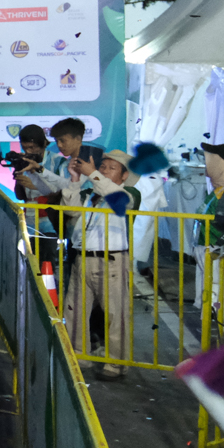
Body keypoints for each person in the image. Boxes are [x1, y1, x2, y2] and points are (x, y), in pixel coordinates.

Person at [61, 149, 144, 379]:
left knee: (115, 314)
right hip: (83, 257)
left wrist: (93, 174)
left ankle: (117, 363)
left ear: (125, 175)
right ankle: (79, 355)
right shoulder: (92, 194)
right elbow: (70, 210)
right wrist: (75, 180)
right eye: (103, 166)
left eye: (111, 168)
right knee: (75, 310)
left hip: (111, 260)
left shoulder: (129, 194)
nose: (105, 171)